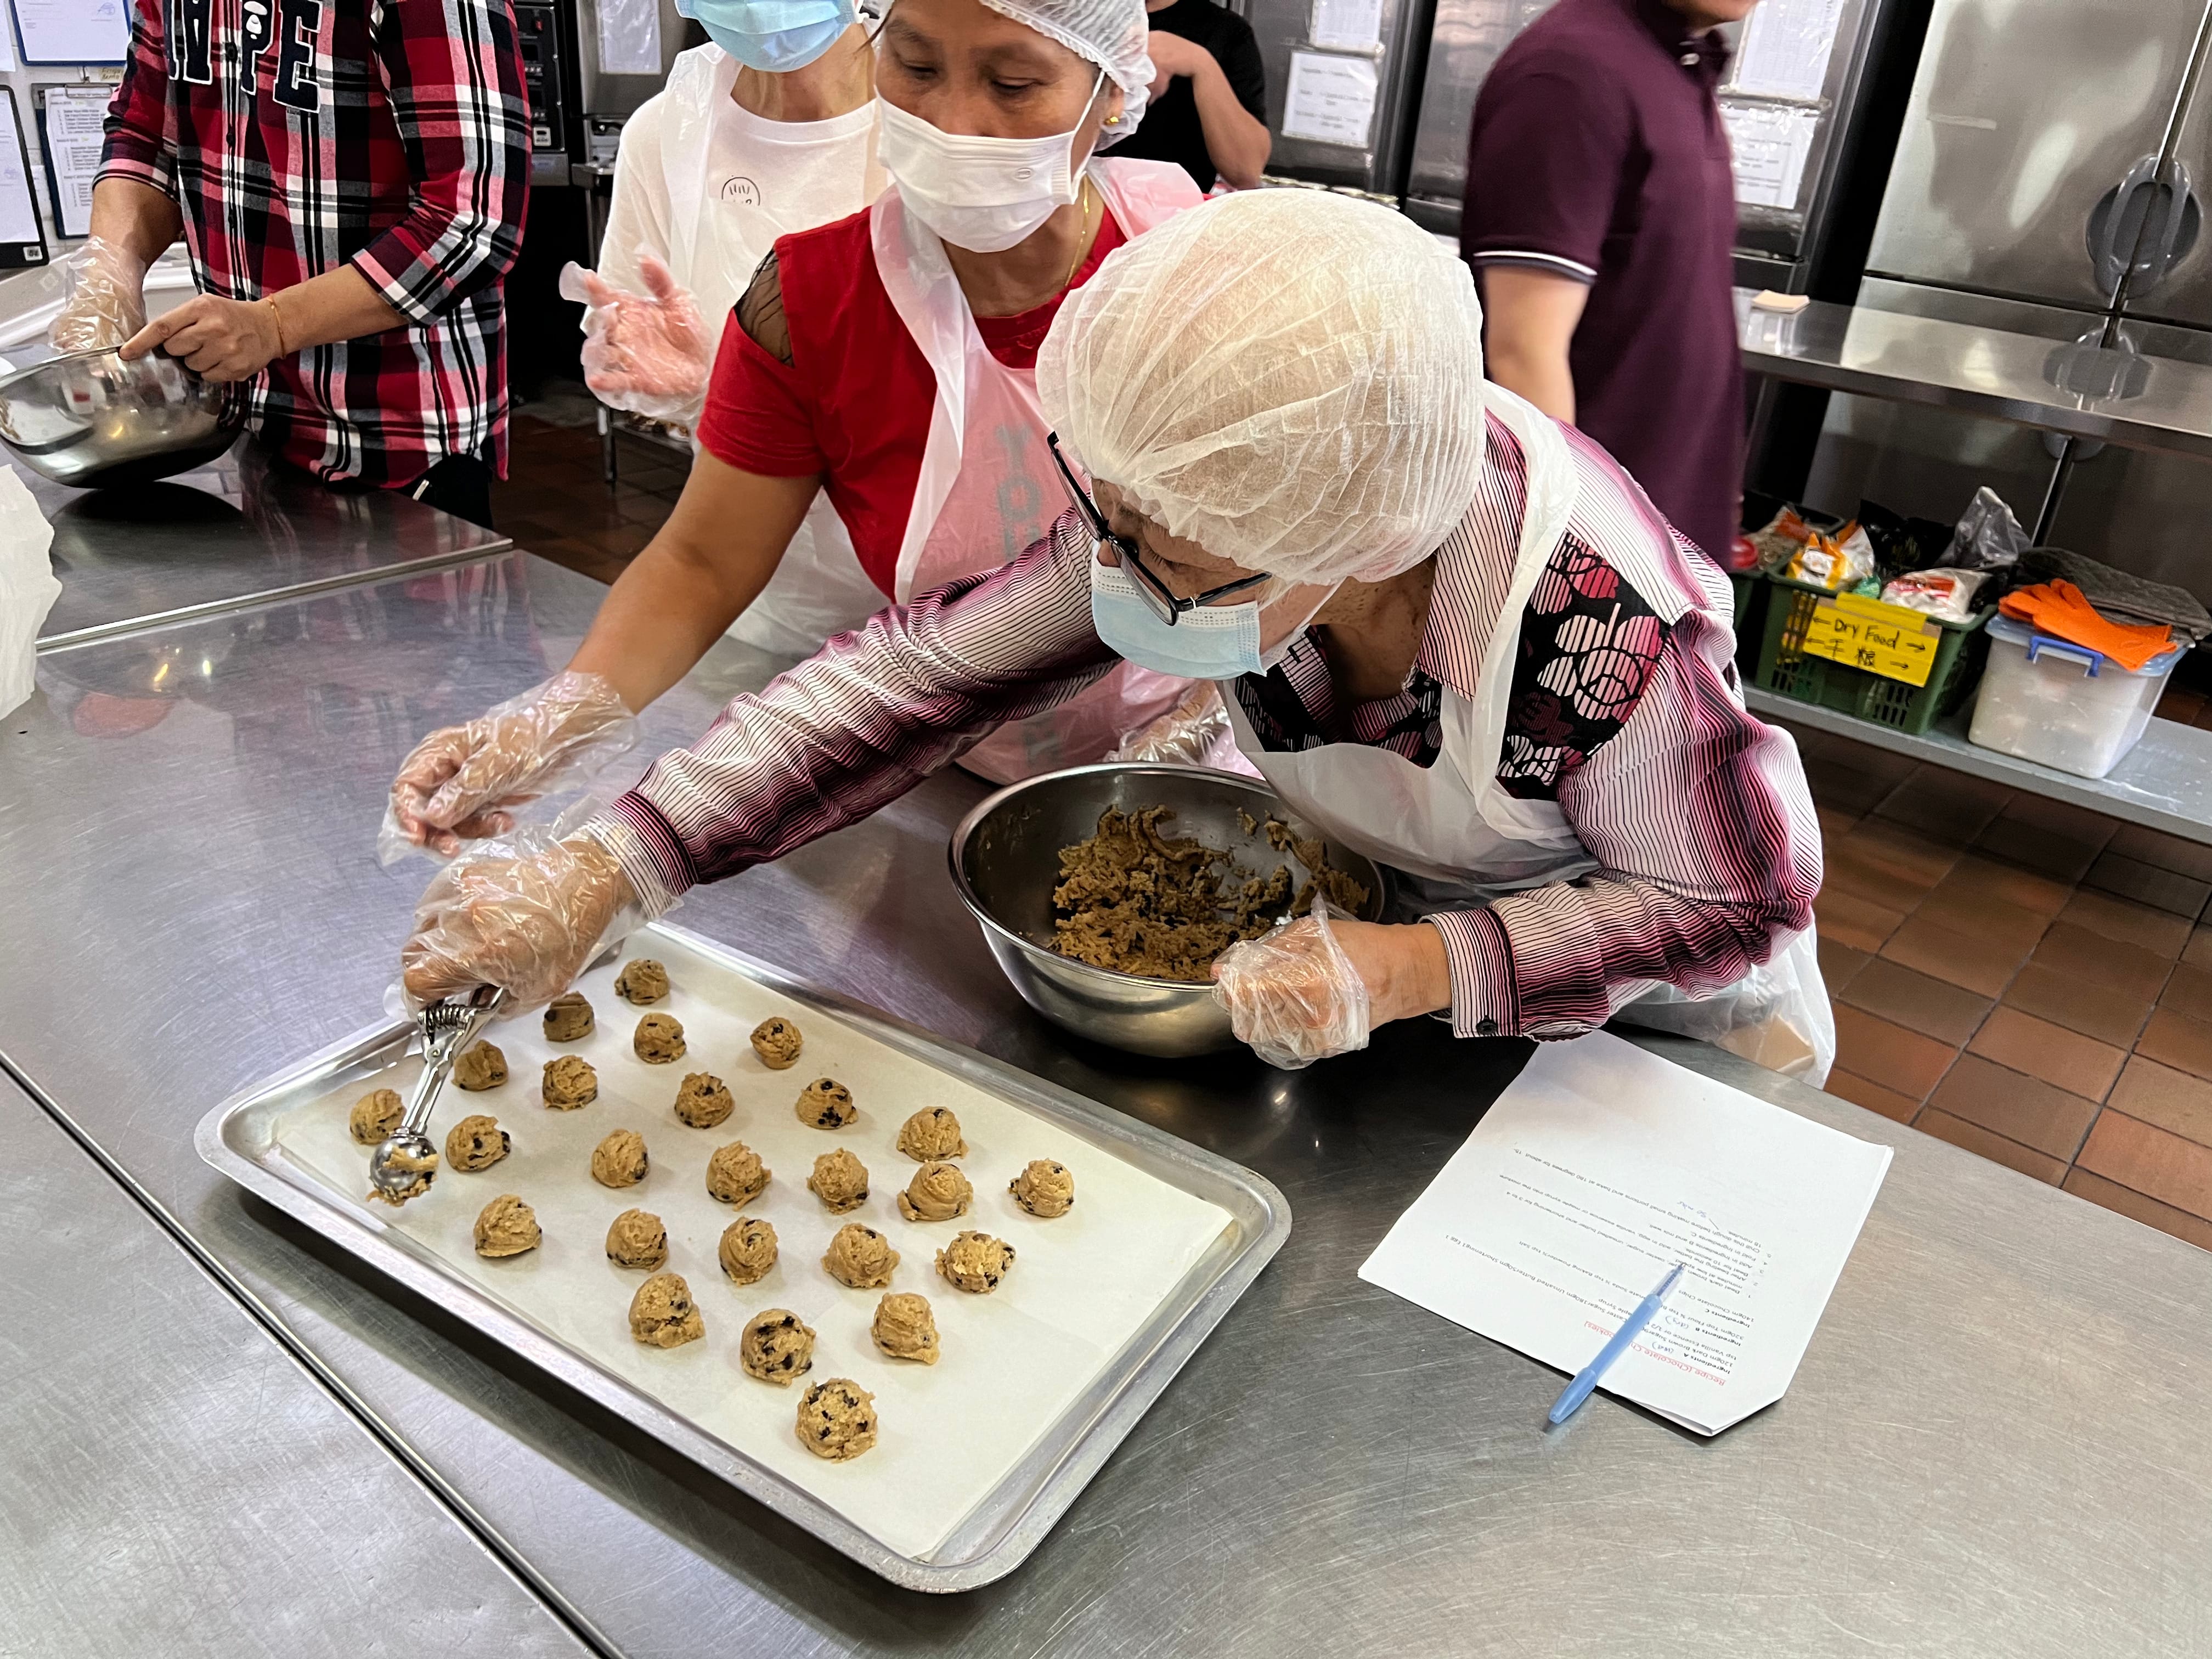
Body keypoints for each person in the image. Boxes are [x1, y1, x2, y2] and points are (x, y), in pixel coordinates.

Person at [398, 191, 1833, 1083]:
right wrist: (616, 864)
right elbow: (914, 678)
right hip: (1380, 1001)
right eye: (1113, 524)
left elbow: (1741, 899)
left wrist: (1419, 971)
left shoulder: (1599, 633)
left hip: (1646, 1035)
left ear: (1357, 543)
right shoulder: (1209, 496)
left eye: (1172, 559)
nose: (1118, 578)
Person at [384, 0, 1210, 857]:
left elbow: (1319, 564)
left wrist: (1198, 734)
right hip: (962, 762)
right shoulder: (808, 301)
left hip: (1221, 754)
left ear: (1111, 90)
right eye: (917, 68)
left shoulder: (1194, 271)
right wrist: (551, 724)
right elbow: (703, 562)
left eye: (1012, 82)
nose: (954, 122)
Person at [64, 0, 531, 529]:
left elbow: (470, 222)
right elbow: (145, 135)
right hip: (247, 421)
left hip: (399, 443)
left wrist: (274, 325)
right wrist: (109, 275)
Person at [566, 0, 887, 653]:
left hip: (963, 614)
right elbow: (641, 346)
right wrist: (691, 391)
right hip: (764, 598)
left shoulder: (941, 116)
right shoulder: (668, 135)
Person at [1459, 0, 1754, 566]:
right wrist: (1575, 554)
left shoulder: (1676, 62)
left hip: (1663, 528)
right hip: (1599, 560)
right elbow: (1523, 350)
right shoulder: (1570, 73)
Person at [1107, 0, 1269, 191]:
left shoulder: (1228, 33)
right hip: (1080, 205)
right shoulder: (1081, 15)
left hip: (1174, 215)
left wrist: (1201, 64)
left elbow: (1246, 172)